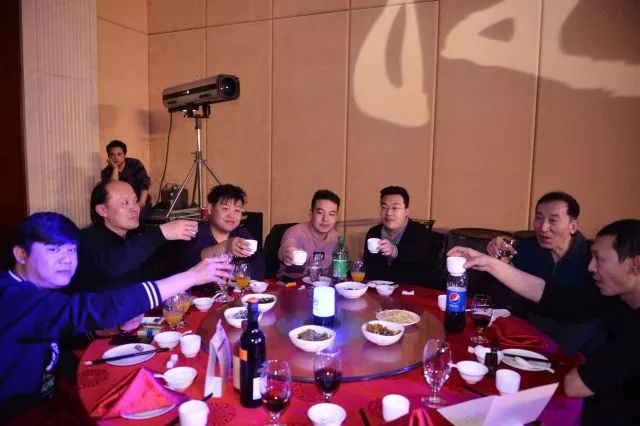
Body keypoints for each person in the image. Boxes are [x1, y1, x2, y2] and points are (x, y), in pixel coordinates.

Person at [0, 212, 233, 419]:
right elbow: (95, 307)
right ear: (21, 254)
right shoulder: (9, 297)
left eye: (70, 250)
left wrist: (106, 330)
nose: (66, 260)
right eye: (53, 250)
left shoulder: (42, 289)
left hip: (48, 402)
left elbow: (62, 328)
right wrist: (191, 277)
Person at [449, 219, 640, 426]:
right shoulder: (616, 299)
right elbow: (547, 294)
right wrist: (488, 263)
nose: (591, 266)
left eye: (599, 258)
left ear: (636, 264)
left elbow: (575, 385)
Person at [487, 191, 603, 355]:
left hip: (575, 337)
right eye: (539, 218)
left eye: (553, 220)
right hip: (529, 332)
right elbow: (507, 291)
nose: (543, 228)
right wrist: (500, 258)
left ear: (573, 226)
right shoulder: (524, 249)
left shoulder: (592, 259)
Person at [71, 180, 199, 291]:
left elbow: (156, 272)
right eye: (125, 202)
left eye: (135, 201)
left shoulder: (134, 238)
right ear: (103, 210)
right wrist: (160, 234)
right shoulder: (84, 240)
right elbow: (112, 268)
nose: (136, 208)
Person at [175, 184, 264, 279]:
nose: (232, 215)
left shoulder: (242, 234)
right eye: (225, 208)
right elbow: (185, 267)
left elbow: (259, 272)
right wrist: (225, 247)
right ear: (210, 209)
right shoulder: (193, 232)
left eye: (237, 210)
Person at [363, 186, 438, 285]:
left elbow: (424, 266)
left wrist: (395, 250)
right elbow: (368, 267)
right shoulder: (373, 232)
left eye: (395, 208)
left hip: (410, 290)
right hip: (377, 289)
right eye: (384, 207)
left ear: (406, 211)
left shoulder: (420, 233)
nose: (388, 213)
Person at [276, 190, 340, 280]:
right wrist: (289, 253)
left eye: (331, 214)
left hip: (323, 286)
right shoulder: (295, 232)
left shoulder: (337, 239)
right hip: (292, 284)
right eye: (320, 212)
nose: (325, 219)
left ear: (336, 218)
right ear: (311, 213)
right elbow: (287, 246)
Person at [100, 139, 152, 217]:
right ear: (108, 156)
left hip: (140, 200)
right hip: (120, 205)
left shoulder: (135, 164)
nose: (116, 158)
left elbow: (145, 182)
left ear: (124, 154)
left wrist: (141, 202)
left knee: (140, 217)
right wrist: (115, 169)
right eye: (112, 155)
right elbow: (113, 190)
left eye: (119, 154)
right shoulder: (106, 172)